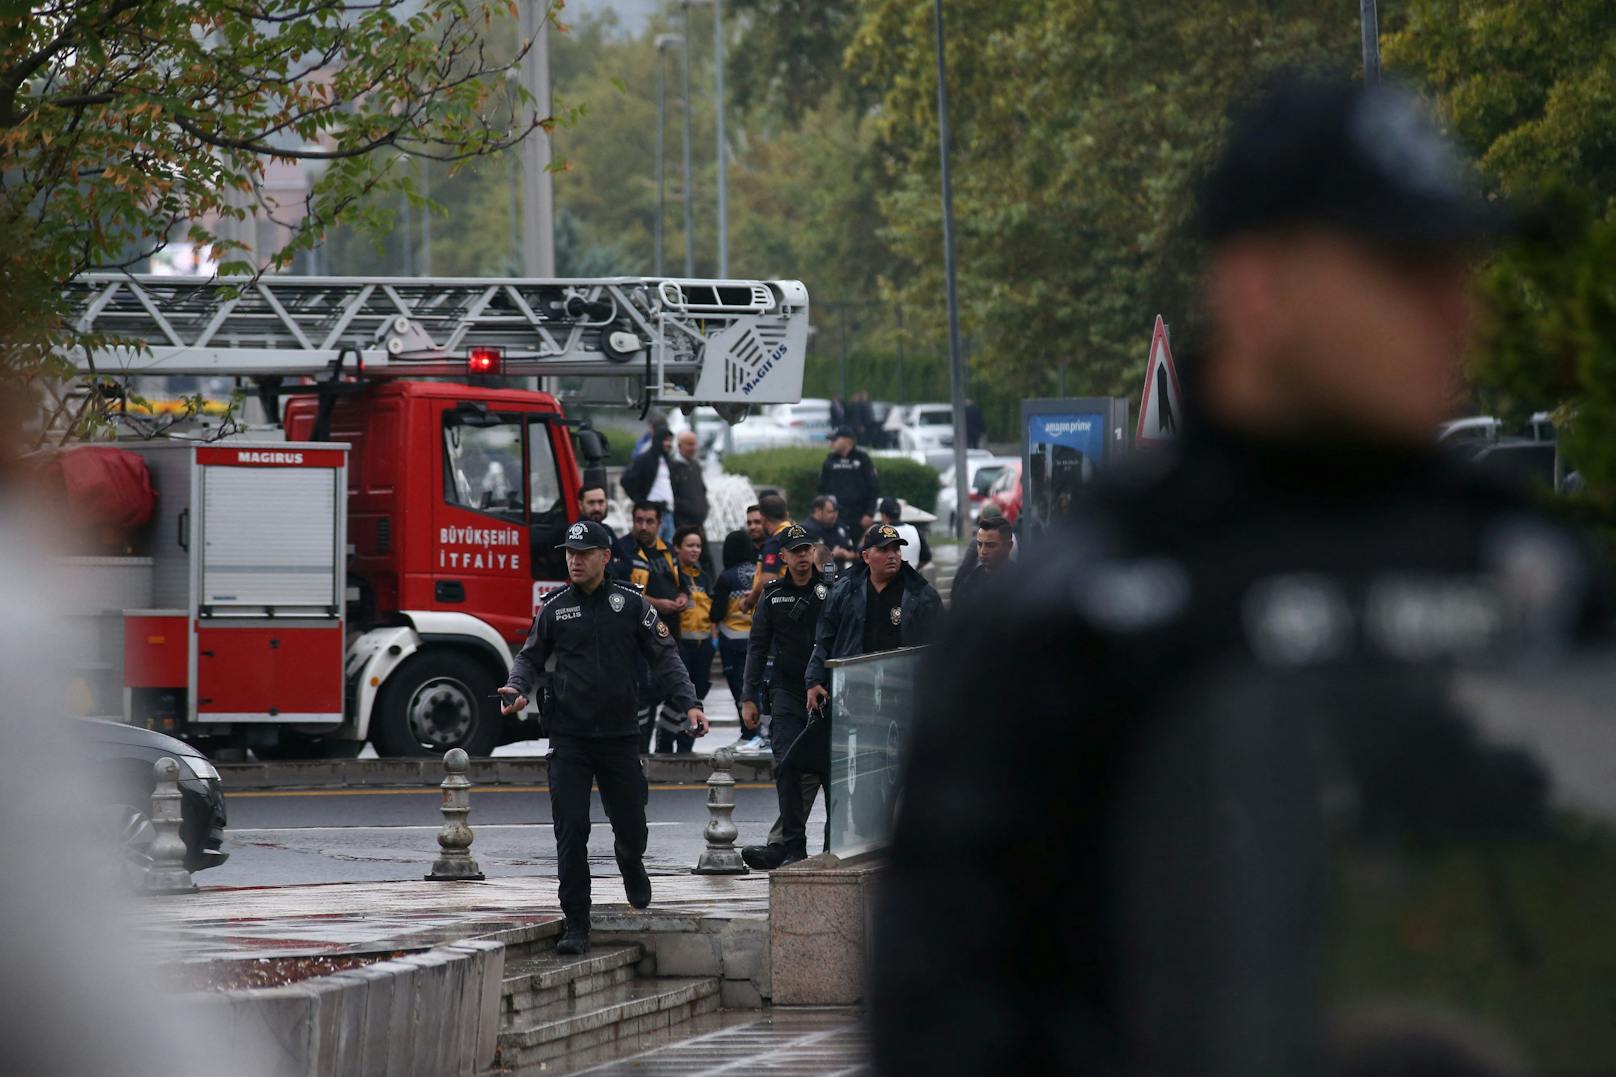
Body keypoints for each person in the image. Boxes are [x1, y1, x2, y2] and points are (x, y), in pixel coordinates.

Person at [869, 75, 1610, 1075]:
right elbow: (948, 1015)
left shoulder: (1541, 585)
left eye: (1456, 266)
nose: (1453, 307)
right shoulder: (1077, 620)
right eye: (1399, 268)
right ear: (1259, 289)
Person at [499, 520, 707, 956]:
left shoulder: (631, 603)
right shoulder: (555, 607)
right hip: (569, 737)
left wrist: (690, 703)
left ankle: (631, 862)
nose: (574, 560)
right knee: (571, 830)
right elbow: (529, 657)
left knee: (632, 825)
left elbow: (665, 656)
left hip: (619, 736)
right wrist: (516, 689)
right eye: (570, 553)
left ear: (605, 557)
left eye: (584, 552)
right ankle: (576, 919)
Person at [738, 525, 831, 870]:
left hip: (827, 691)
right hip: (786, 692)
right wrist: (748, 697)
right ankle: (793, 846)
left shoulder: (831, 590)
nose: (803, 555)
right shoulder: (773, 594)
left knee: (830, 771)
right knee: (788, 765)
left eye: (807, 549)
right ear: (785, 557)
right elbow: (757, 647)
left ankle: (834, 847)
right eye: (796, 551)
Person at [804, 523, 944, 715]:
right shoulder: (844, 590)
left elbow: (939, 648)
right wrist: (814, 680)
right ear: (866, 556)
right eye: (884, 550)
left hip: (904, 694)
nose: (892, 555)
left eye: (896, 549)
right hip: (853, 691)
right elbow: (824, 639)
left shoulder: (921, 595)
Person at [610, 501, 689, 751]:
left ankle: (664, 748)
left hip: (668, 635)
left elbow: (683, 584)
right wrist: (657, 604)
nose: (643, 526)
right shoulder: (622, 549)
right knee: (642, 695)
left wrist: (682, 598)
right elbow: (618, 590)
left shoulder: (668, 551)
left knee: (670, 690)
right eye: (639, 521)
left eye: (649, 521)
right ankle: (639, 751)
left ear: (659, 523)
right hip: (637, 638)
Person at [668, 525, 716, 754]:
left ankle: (686, 744)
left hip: (704, 645)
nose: (695, 550)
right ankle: (665, 739)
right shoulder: (673, 575)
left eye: (698, 545)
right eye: (690, 545)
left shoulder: (705, 577)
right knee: (679, 696)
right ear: (677, 548)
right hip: (681, 645)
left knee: (698, 695)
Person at [711, 529, 760, 743]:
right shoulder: (759, 573)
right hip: (756, 640)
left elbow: (717, 613)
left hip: (732, 641)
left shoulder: (727, 577)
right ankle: (758, 733)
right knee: (755, 688)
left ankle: (748, 732)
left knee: (739, 689)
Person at [620, 426, 676, 543]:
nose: (669, 444)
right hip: (651, 513)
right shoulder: (645, 459)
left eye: (670, 441)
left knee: (668, 550)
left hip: (667, 512)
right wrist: (639, 501)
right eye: (666, 440)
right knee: (650, 547)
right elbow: (626, 480)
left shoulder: (667, 460)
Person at [818, 427, 880, 532]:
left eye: (835, 439)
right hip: (836, 517)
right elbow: (821, 488)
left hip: (859, 517)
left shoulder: (862, 459)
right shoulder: (829, 461)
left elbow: (873, 488)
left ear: (847, 440)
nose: (831, 443)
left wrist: (869, 513)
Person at [740, 492, 792, 615]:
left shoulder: (774, 542)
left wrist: (749, 602)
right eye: (749, 523)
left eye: (758, 521)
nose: (753, 527)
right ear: (786, 515)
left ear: (763, 518)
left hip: (777, 612)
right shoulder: (797, 534)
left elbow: (768, 580)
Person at [949, 514, 1013, 608]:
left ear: (1008, 546)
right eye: (979, 544)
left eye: (990, 545)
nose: (983, 551)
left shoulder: (1021, 583)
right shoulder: (969, 581)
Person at [802, 494, 858, 569]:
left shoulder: (839, 527)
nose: (834, 515)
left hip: (844, 573)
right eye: (829, 512)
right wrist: (832, 554)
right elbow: (806, 558)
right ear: (818, 511)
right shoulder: (808, 529)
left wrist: (847, 554)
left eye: (836, 511)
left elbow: (856, 552)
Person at [669, 431, 709, 531]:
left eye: (695, 444)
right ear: (679, 446)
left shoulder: (695, 466)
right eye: (690, 445)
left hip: (699, 523)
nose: (693, 448)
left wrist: (705, 507)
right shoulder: (672, 467)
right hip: (682, 524)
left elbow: (702, 490)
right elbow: (672, 495)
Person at [878, 497, 931, 570]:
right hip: (911, 578)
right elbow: (926, 557)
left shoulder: (880, 532)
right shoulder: (915, 530)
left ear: (883, 515)